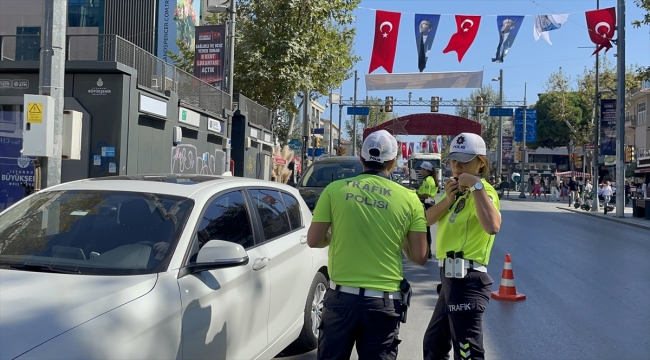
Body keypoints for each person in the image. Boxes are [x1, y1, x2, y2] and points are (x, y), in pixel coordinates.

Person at [308, 130, 428, 359]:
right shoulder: (410, 198)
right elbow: (420, 255)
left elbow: (314, 240)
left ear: (361, 158)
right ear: (393, 162)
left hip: (341, 300)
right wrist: (398, 236)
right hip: (384, 303)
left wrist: (337, 235)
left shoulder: (334, 190)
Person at [422, 132, 502, 360]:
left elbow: (493, 226)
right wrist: (447, 200)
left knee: (467, 352)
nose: (457, 166)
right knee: (434, 344)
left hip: (468, 279)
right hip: (449, 278)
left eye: (465, 160)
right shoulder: (454, 190)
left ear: (481, 162)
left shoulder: (484, 191)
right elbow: (427, 219)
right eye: (453, 159)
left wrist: (476, 186)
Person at [417, 161, 439, 259]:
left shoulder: (427, 180)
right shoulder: (429, 179)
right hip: (429, 204)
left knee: (425, 228)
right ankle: (427, 250)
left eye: (422, 169)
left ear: (426, 170)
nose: (420, 170)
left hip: (426, 204)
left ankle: (427, 250)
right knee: (426, 228)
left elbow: (426, 195)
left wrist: (414, 195)